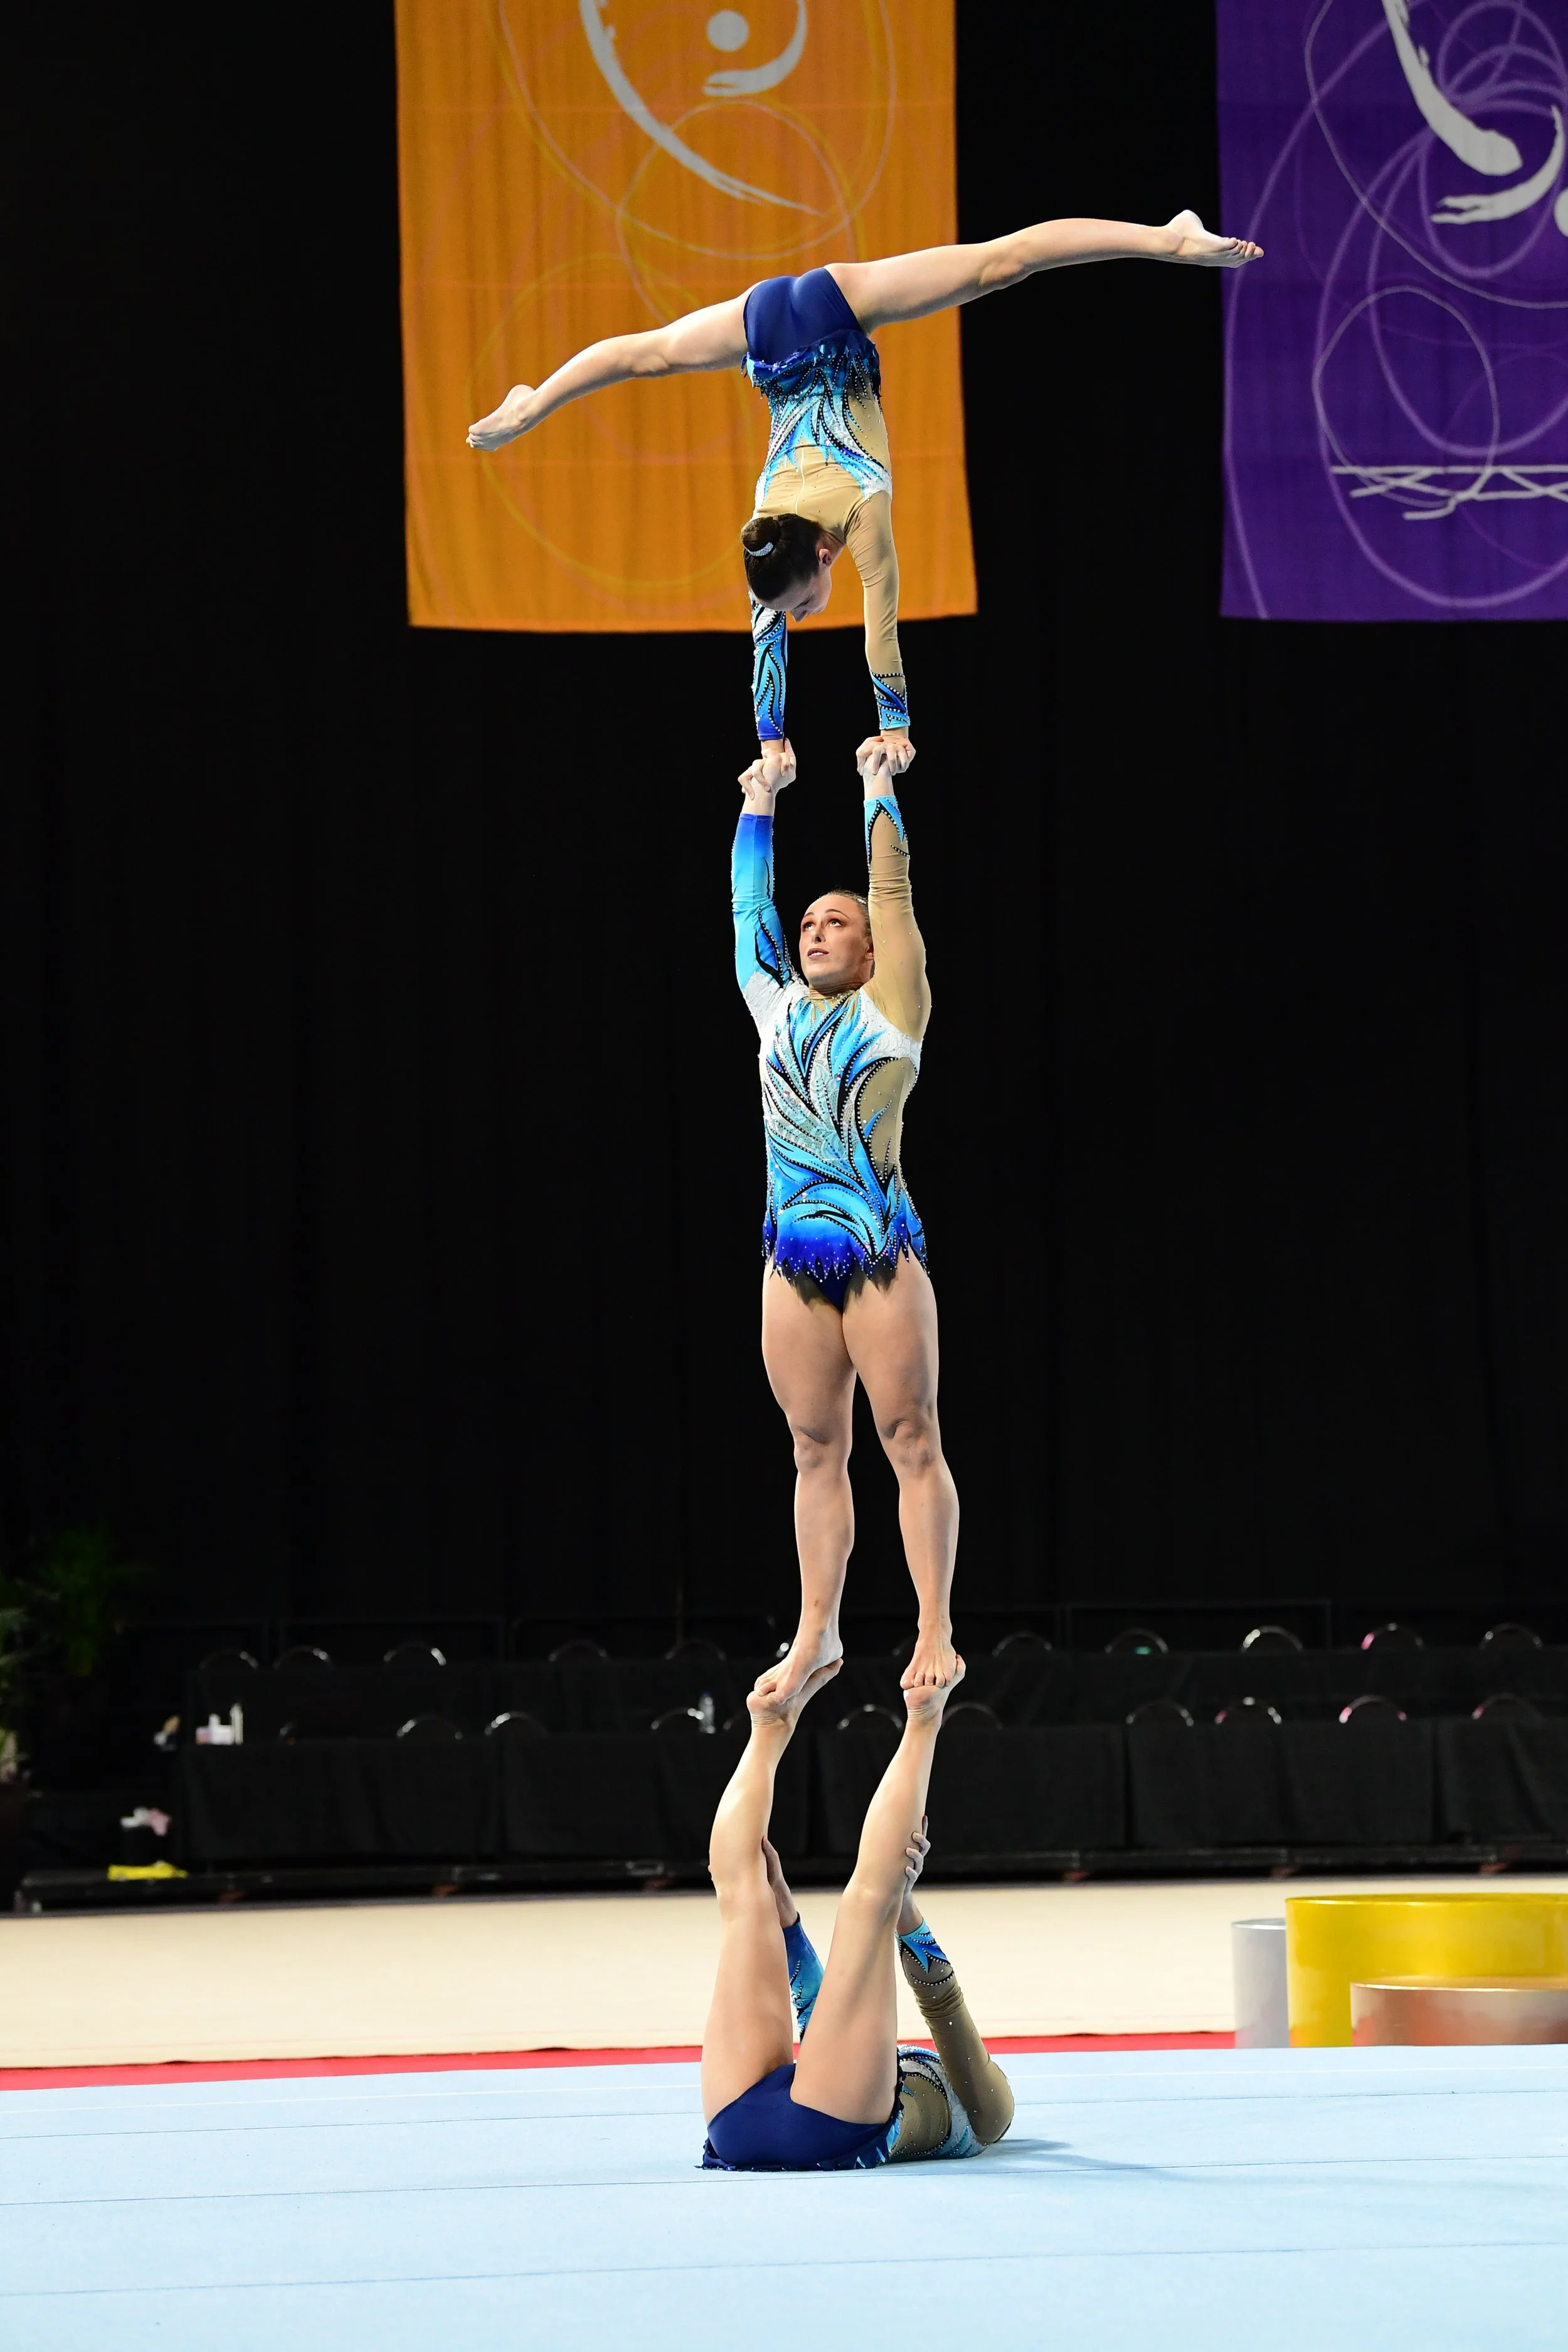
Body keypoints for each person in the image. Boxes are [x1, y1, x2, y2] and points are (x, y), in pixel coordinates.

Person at [468, 213, 1262, 776]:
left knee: (1002, 264)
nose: (808, 612)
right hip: (763, 330)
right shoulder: (764, 528)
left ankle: (1172, 241)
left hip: (828, 312)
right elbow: (767, 639)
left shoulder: (857, 509)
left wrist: (895, 728)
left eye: (809, 601)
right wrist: (770, 742)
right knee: (649, 355)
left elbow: (879, 632)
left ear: (822, 557)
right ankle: (534, 402)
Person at [732, 739, 950, 1696]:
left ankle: (932, 1626)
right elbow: (750, 911)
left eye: (837, 923)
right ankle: (816, 1631)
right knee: (814, 1447)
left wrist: (876, 782)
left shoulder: (893, 1007)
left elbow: (892, 892)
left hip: (876, 1254)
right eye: (810, 921)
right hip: (792, 1264)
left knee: (910, 1437)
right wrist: (758, 803)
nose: (816, 930)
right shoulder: (773, 1008)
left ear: (870, 952)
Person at [700, 1656, 1014, 2173]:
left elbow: (942, 2007)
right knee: (793, 1894)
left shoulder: (994, 2117)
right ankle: (799, 1726)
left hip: (772, 2119)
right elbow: (827, 2019)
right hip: (748, 2126)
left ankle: (912, 1719)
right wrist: (796, 1924)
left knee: (758, 1896)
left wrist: (901, 1908)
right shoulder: (866, 2072)